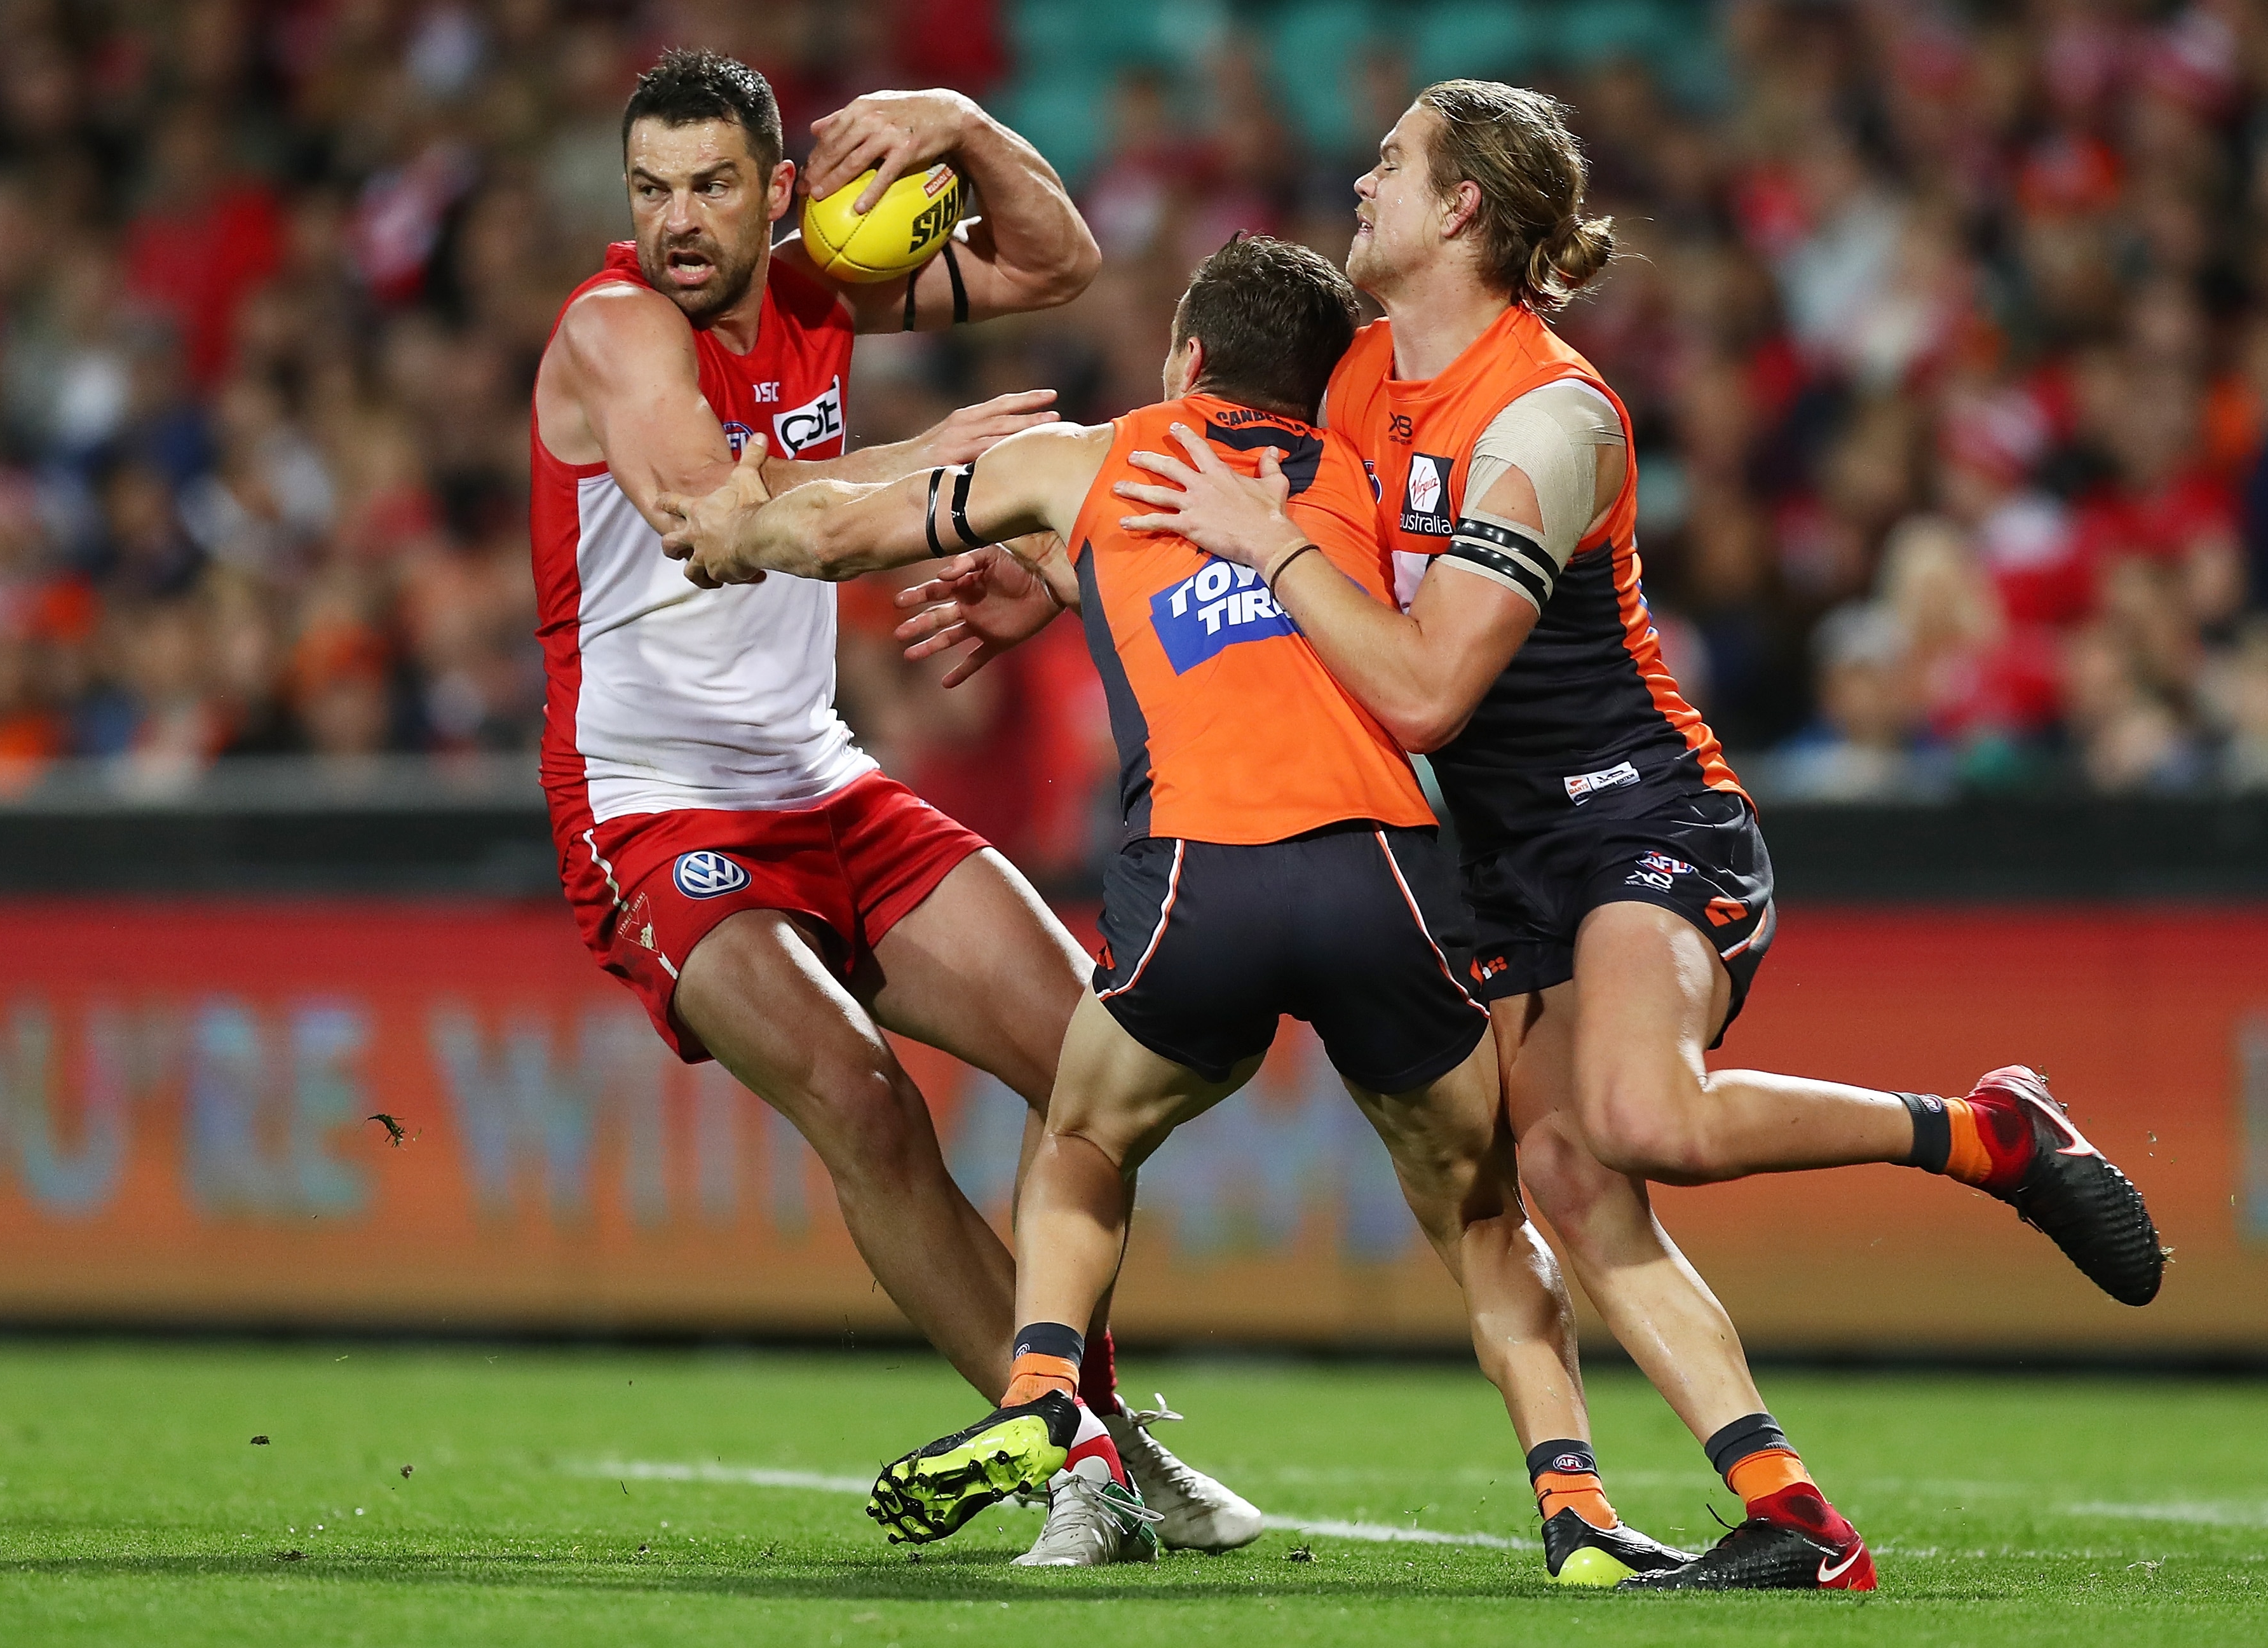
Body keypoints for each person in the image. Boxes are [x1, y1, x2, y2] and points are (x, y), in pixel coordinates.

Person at [911, 83, 2167, 1593]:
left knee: (1646, 1120)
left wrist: (1279, 542)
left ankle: (1987, 1131)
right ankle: (1793, 1517)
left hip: (1635, 809)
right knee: (1562, 1179)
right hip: (1498, 860)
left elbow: (1428, 684)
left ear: (1461, 210)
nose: (1363, 179)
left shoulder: (1551, 415)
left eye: (1394, 162)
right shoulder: (1360, 382)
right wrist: (1056, 582)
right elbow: (1244, 574)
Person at [662, 234, 1690, 1586]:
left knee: (1084, 1137)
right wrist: (1064, 589)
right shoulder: (1376, 486)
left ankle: (1047, 1405)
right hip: (1383, 874)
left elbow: (837, 529)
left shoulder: (1097, 456)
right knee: (1483, 1216)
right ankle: (1575, 1514)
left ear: (1191, 357)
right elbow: (1298, 619)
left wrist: (727, 530)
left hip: (1204, 874)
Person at [528, 47, 1255, 1567]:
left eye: (713, 184)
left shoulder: (814, 287)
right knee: (863, 1103)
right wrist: (920, 467)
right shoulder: (614, 329)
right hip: (654, 811)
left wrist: (968, 126)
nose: (679, 219)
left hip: (823, 776)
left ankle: (1088, 1431)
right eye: (652, 187)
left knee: (1091, 1060)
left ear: (776, 190)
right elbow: (715, 526)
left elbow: (1058, 258)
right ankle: (1089, 1457)